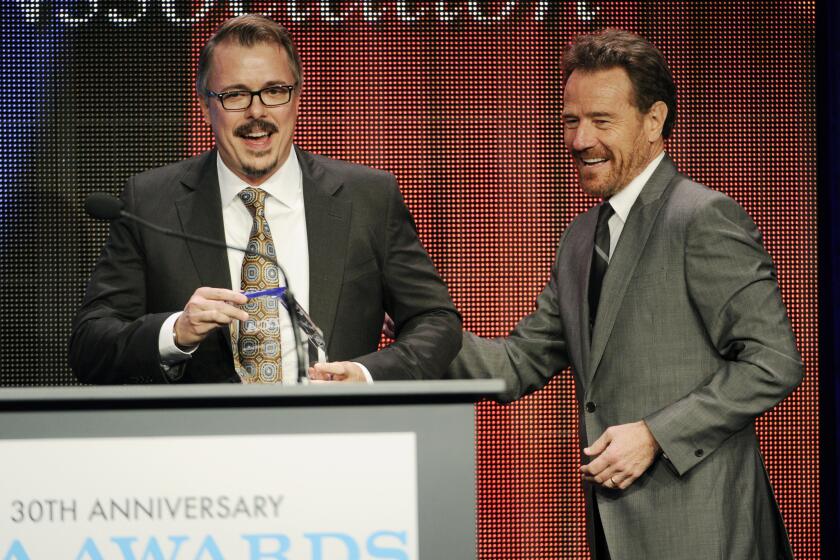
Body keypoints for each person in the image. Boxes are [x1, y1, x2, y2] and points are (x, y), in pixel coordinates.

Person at [445, 30, 801, 559]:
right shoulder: (580, 239)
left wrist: (656, 434)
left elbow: (772, 362)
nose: (580, 139)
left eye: (601, 121)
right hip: (617, 536)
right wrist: (422, 333)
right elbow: (519, 361)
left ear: (654, 122)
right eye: (571, 120)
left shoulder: (701, 218)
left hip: (705, 530)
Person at [69, 14, 461, 384]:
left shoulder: (368, 197)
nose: (257, 112)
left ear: (297, 95)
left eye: (274, 91)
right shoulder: (150, 202)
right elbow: (90, 344)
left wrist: (366, 375)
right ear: (206, 104)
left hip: (340, 440)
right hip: (198, 447)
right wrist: (177, 331)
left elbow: (437, 321)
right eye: (236, 95)